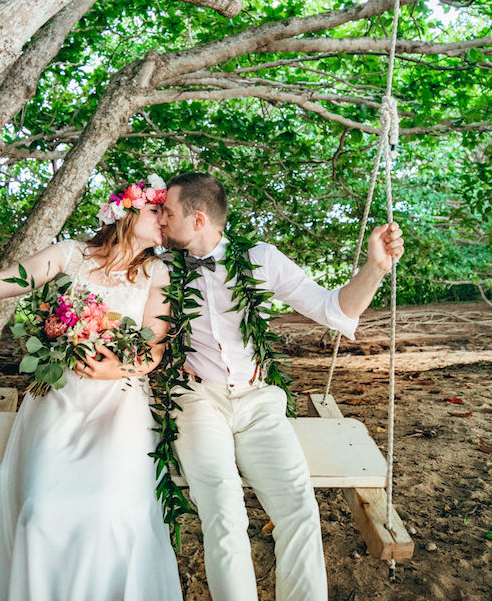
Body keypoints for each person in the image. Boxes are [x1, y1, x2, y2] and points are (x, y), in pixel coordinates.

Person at [0, 176, 183, 601]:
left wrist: (116, 368)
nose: (166, 220)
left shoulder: (156, 272)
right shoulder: (70, 254)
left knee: (110, 513)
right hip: (58, 399)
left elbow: (153, 351)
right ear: (127, 209)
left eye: (169, 214)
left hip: (119, 405)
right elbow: (4, 282)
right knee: (40, 513)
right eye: (157, 210)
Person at [157, 171, 403, 601]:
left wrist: (375, 268)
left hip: (258, 400)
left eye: (167, 211)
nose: (160, 218)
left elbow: (333, 309)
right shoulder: (156, 266)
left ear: (198, 220)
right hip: (196, 399)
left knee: (299, 509)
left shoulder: (260, 258)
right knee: (223, 508)